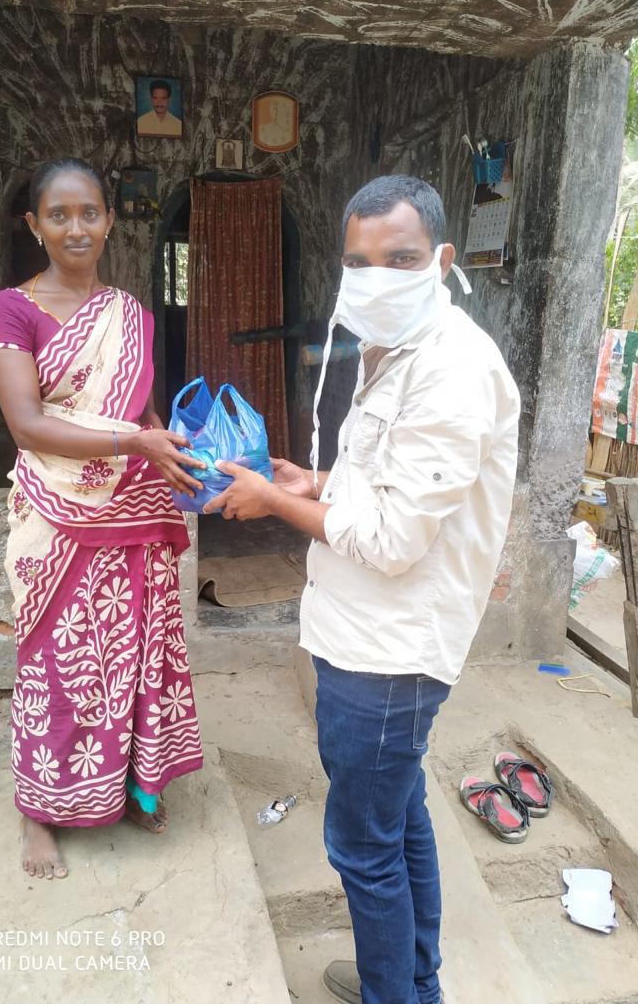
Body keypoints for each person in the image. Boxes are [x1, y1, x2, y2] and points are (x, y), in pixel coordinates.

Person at [204, 175, 520, 1004]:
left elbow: (389, 539)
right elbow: (388, 484)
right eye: (359, 261)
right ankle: (410, 982)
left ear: (442, 261)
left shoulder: (452, 369)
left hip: (389, 656)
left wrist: (274, 504)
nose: (378, 277)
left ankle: (395, 992)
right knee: (399, 819)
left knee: (363, 847)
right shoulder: (398, 350)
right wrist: (313, 481)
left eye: (401, 258)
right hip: (363, 636)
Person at [0, 157, 204, 880]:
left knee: (133, 654)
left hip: (133, 510)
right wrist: (135, 444)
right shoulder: (11, 309)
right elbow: (27, 423)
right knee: (57, 660)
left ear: (109, 221)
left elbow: (142, 412)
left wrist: (173, 454)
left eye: (88, 213)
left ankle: (135, 785)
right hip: (56, 513)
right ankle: (39, 810)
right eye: (58, 215)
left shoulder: (129, 314)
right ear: (35, 225)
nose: (75, 228)